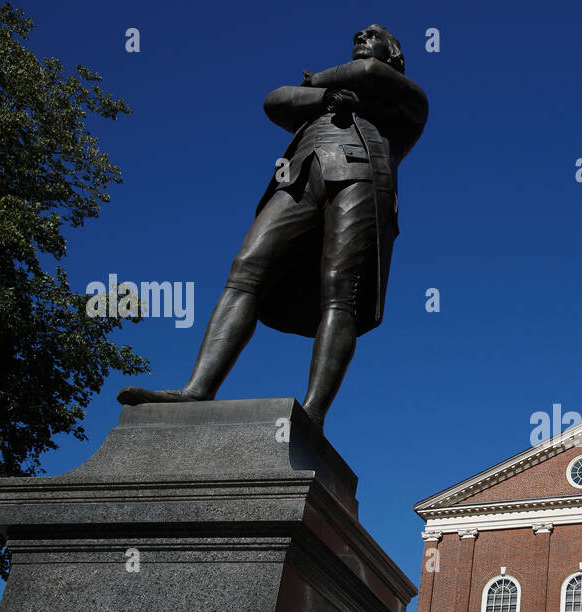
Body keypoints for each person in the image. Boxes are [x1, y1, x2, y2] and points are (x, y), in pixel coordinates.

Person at [117, 24, 428, 427]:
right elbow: (274, 100)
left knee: (339, 289)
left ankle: (313, 413)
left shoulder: (408, 100)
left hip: (360, 179)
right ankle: (197, 389)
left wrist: (316, 79)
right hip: (296, 180)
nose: (361, 37)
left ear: (394, 53)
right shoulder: (325, 102)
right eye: (358, 34)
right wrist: (328, 96)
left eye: (373, 35)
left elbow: (369, 73)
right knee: (246, 269)